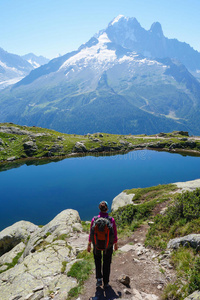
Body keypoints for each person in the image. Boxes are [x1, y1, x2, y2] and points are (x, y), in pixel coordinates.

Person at [87, 201, 118, 288]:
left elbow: (91, 233)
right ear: (107, 209)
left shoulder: (94, 219)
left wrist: (89, 244)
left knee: (97, 261)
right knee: (107, 262)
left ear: (99, 209)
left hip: (97, 244)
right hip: (108, 245)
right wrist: (115, 244)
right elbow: (114, 233)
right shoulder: (111, 220)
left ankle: (99, 279)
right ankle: (106, 282)